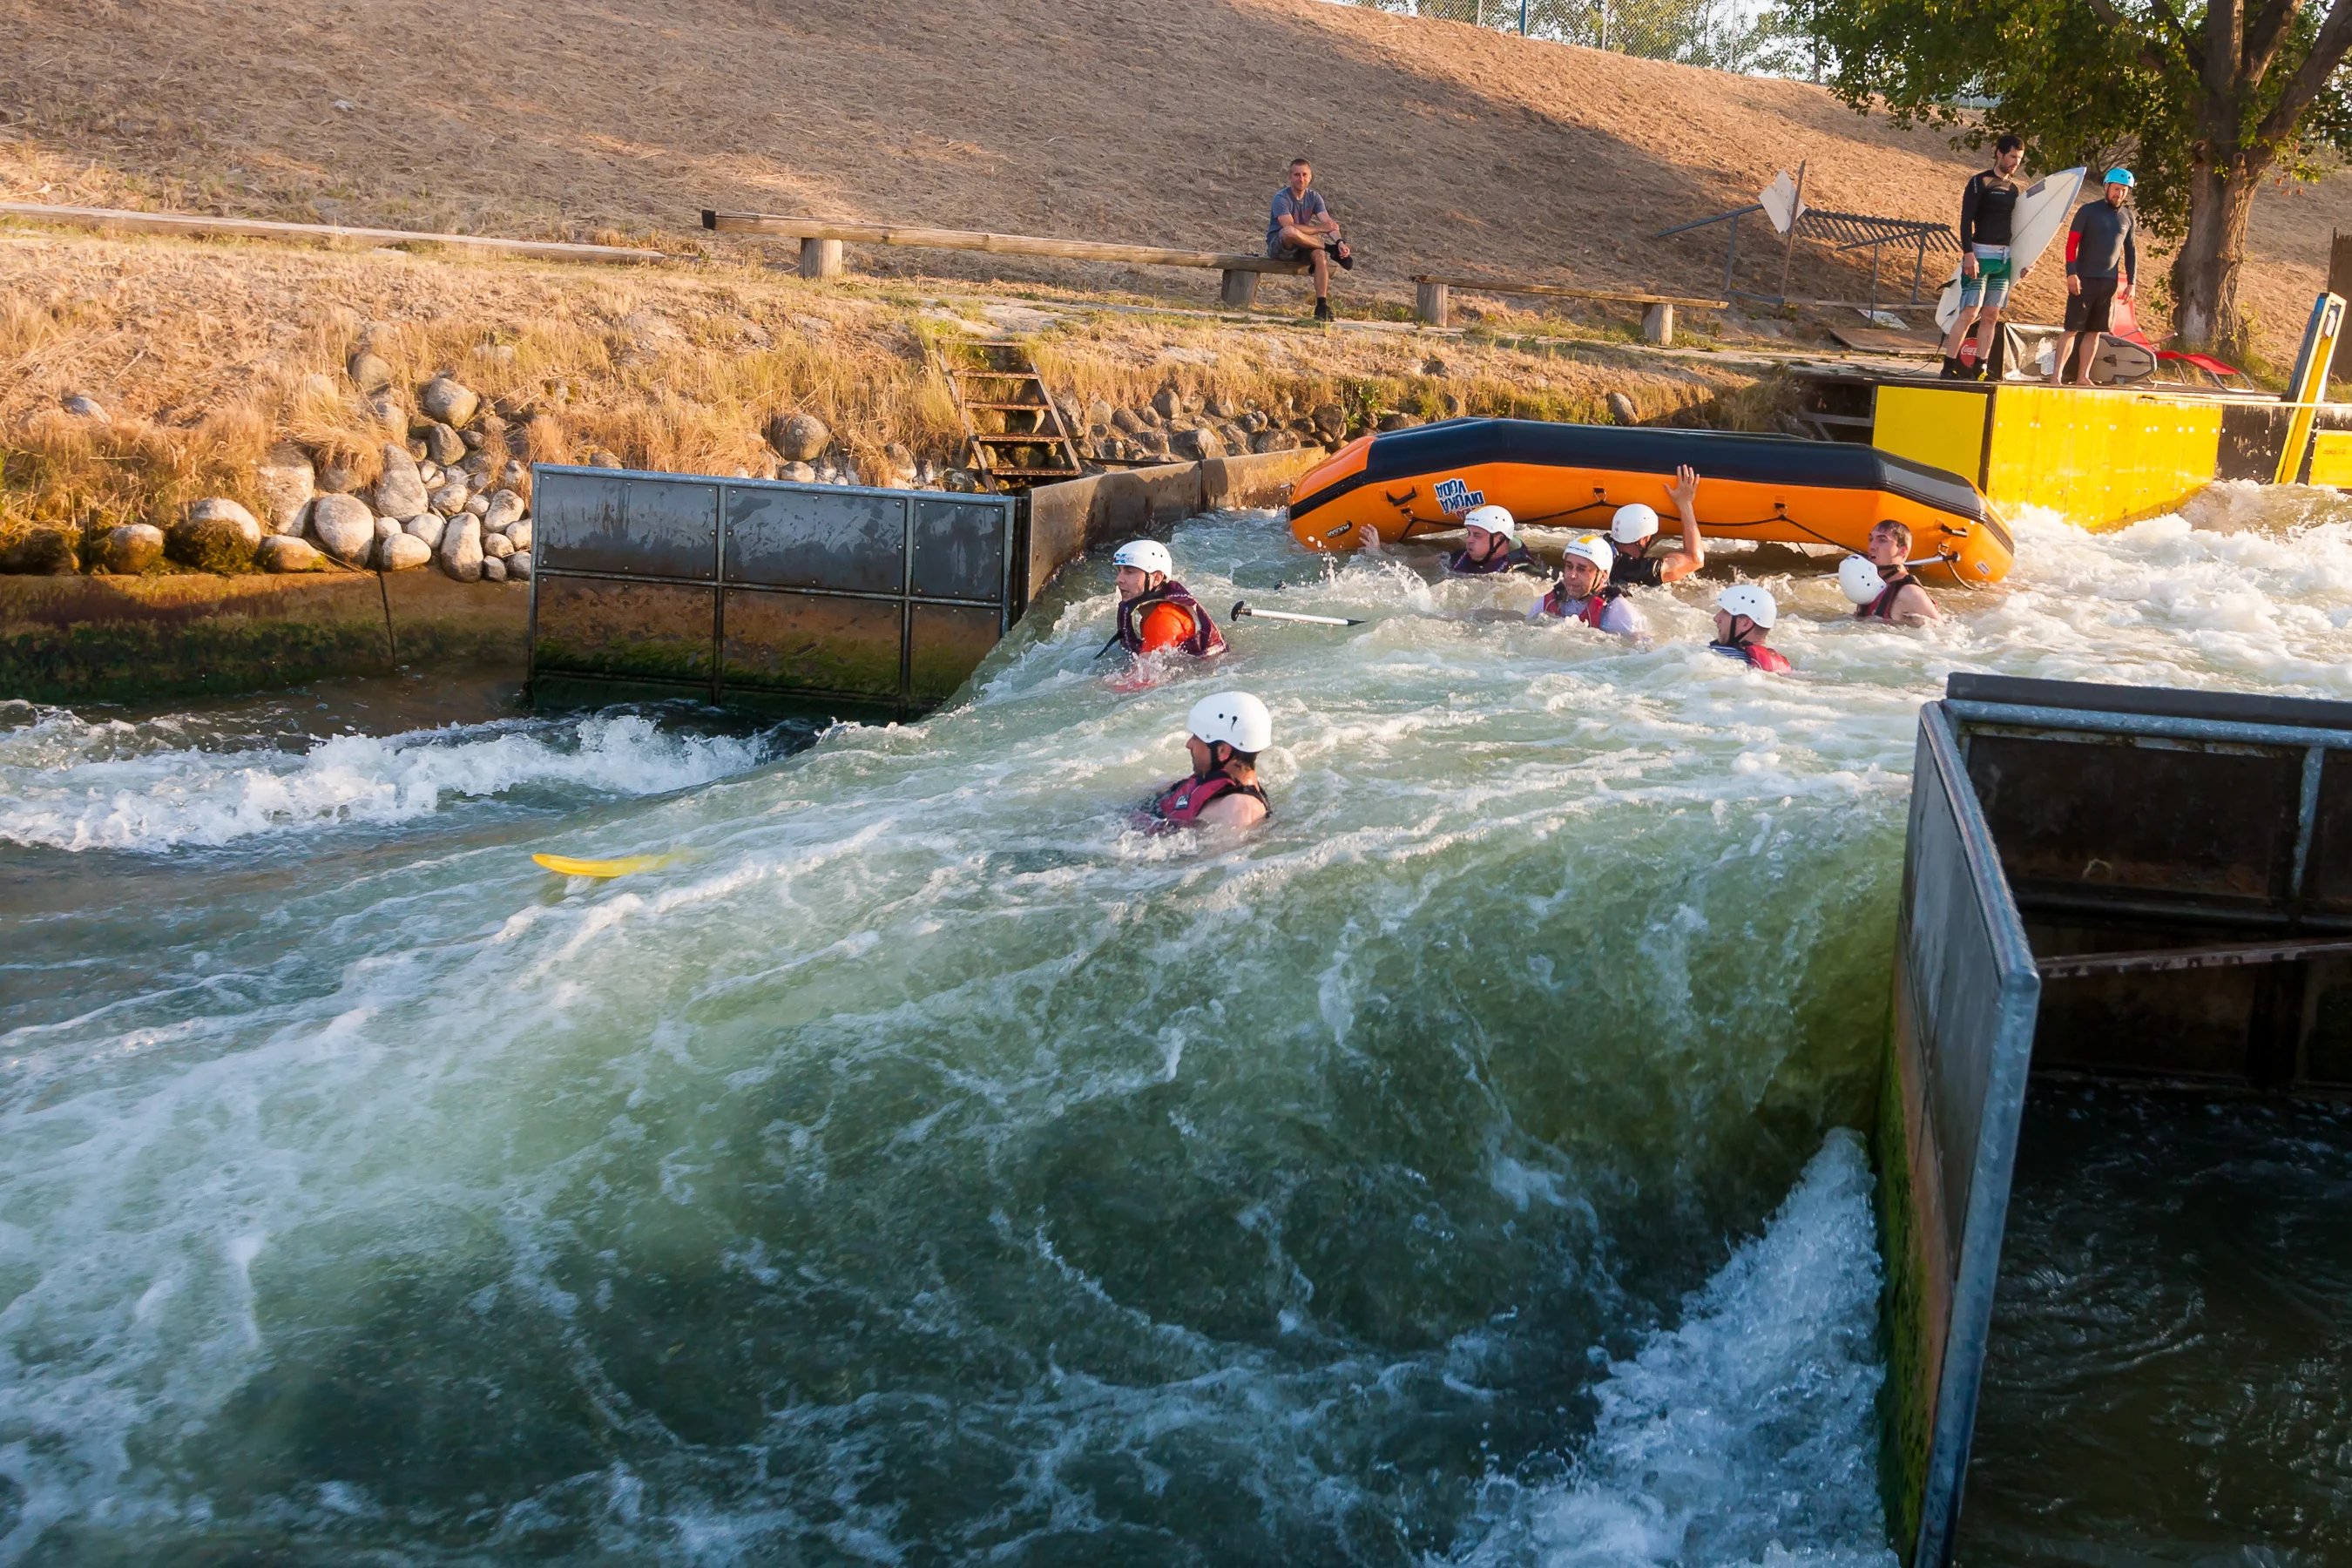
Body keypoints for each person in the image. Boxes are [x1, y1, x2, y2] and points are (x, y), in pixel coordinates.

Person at [1943, 134, 2028, 381]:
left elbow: (2020, 229)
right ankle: (1949, 366)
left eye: (2019, 159)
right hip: (1980, 254)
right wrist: (1968, 253)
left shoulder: (2014, 189)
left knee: (1991, 314)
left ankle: (1980, 366)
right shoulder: (1980, 182)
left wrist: (2023, 262)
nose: (2015, 163)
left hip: (2003, 259)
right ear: (1999, 153)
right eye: (2012, 156)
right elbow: (1965, 220)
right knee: (1970, 312)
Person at [2051, 169, 2139, 387]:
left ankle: (2083, 376)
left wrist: (2131, 283)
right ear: (2107, 187)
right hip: (2084, 279)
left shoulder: (2128, 217)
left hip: (2108, 282)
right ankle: (2056, 377)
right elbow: (2072, 244)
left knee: (2095, 332)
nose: (2120, 193)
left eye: (2124, 190)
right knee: (2071, 329)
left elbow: (2131, 252)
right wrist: (2071, 273)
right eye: (2117, 189)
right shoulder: (2088, 211)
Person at [1145, 692, 1271, 830]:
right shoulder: (1204, 783)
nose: (1188, 744)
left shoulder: (1241, 809)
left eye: (1196, 738)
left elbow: (1224, 851)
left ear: (1223, 751)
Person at [1268, 158, 1352, 323]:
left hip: (1304, 244)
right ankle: (1330, 249)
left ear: (1310, 177)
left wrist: (1340, 242)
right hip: (1281, 247)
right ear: (1290, 177)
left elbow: (1328, 223)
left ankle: (1321, 305)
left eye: (1304, 175)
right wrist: (1320, 229)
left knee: (1320, 255)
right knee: (1289, 231)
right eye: (1297, 175)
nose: (1301, 179)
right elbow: (1290, 228)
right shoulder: (1281, 198)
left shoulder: (1314, 197)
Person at [1112, 539, 1227, 658]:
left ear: (1156, 578)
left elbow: (1145, 675)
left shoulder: (1162, 619)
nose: (1119, 579)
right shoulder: (1150, 614)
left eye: (1129, 572)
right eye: (1120, 571)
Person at [1531, 535, 1646, 638]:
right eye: (1569, 566)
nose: (1572, 575)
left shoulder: (1618, 612)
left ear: (1603, 575)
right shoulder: (1551, 601)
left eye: (1581, 569)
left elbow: (1643, 650)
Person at [1608, 465, 1705, 587]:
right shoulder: (1643, 571)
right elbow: (1695, 560)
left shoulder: (1600, 549)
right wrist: (1685, 503)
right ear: (1643, 540)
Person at [1840, 522, 1943, 625]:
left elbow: (1940, 633)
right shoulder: (1871, 585)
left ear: (1902, 551)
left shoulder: (1910, 593)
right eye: (1871, 539)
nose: (1872, 546)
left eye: (1882, 540)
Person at [1710, 585, 1789, 672]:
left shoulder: (1716, 657)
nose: (1716, 618)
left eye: (1725, 612)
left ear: (1746, 624)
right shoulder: (1781, 666)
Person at [1446, 504, 1538, 575]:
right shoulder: (1461, 557)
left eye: (1477, 535)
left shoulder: (1520, 570)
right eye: (1469, 533)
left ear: (1499, 538)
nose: (1468, 540)